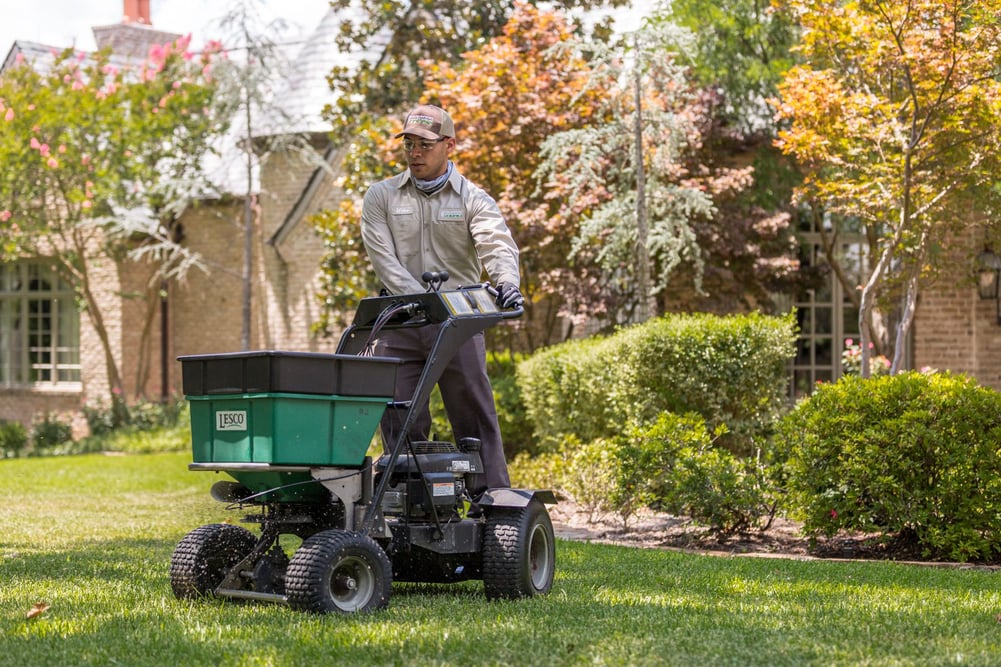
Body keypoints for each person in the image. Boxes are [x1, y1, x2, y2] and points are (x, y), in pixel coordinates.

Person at [360, 104, 524, 497]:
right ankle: (412, 498)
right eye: (409, 144)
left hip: (459, 321)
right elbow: (386, 262)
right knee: (398, 411)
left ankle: (494, 502)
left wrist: (507, 281)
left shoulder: (472, 198)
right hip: (400, 319)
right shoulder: (382, 196)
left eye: (426, 145)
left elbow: (495, 242)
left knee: (474, 412)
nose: (415, 153)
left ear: (449, 145)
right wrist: (419, 300)